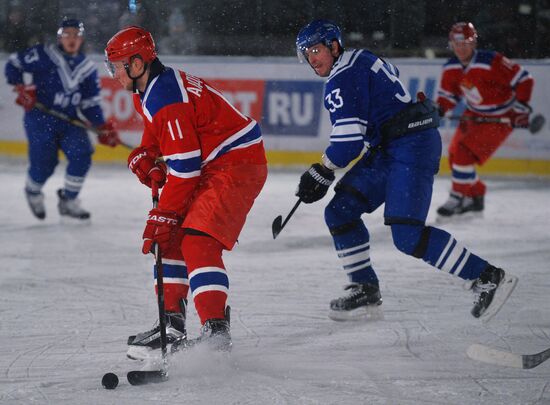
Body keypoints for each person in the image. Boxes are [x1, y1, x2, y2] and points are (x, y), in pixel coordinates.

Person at [294, 19, 518, 322]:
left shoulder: (342, 76)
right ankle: (365, 289)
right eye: (307, 54)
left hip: (409, 146)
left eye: (316, 50)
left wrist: (321, 170)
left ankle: (488, 276)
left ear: (334, 46)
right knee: (340, 210)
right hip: (393, 145)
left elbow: (347, 145)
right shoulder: (361, 58)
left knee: (408, 236)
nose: (312, 59)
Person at [105, 26, 267, 357]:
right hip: (217, 163)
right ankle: (172, 325)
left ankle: (216, 332)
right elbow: (159, 130)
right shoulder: (151, 88)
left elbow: (185, 167)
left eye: (116, 66)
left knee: (196, 240)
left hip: (235, 164)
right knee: (171, 236)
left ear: (137, 65)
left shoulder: (166, 97)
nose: (114, 73)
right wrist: (147, 153)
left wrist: (162, 213)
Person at [4, 18, 121, 221]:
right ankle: (32, 192)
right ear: (60, 37)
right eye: (67, 34)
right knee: (44, 163)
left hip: (69, 120)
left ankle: (69, 200)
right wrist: (21, 87)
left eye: (76, 35)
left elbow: (89, 103)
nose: (71, 39)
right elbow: (13, 65)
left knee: (82, 154)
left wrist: (101, 126)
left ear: (82, 38)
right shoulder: (43, 54)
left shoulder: (87, 68)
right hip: (40, 118)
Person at [436, 22, 534, 219]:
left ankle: (458, 197)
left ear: (474, 43)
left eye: (466, 42)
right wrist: (438, 110)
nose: (461, 47)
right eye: (457, 43)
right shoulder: (451, 67)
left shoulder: (492, 61)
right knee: (455, 155)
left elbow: (524, 80)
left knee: (464, 153)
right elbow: (448, 97)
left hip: (500, 118)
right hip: (473, 116)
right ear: (451, 44)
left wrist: (520, 107)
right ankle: (476, 196)